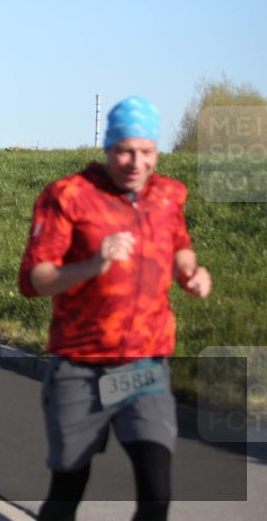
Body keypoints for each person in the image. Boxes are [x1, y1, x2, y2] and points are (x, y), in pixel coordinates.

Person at [18, 96, 212, 521]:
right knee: (69, 488)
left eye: (146, 152)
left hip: (143, 364)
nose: (136, 162)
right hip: (80, 366)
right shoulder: (67, 196)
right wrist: (94, 264)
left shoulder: (167, 195)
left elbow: (179, 245)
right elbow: (35, 279)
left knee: (156, 492)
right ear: (107, 148)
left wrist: (191, 273)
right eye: (125, 150)